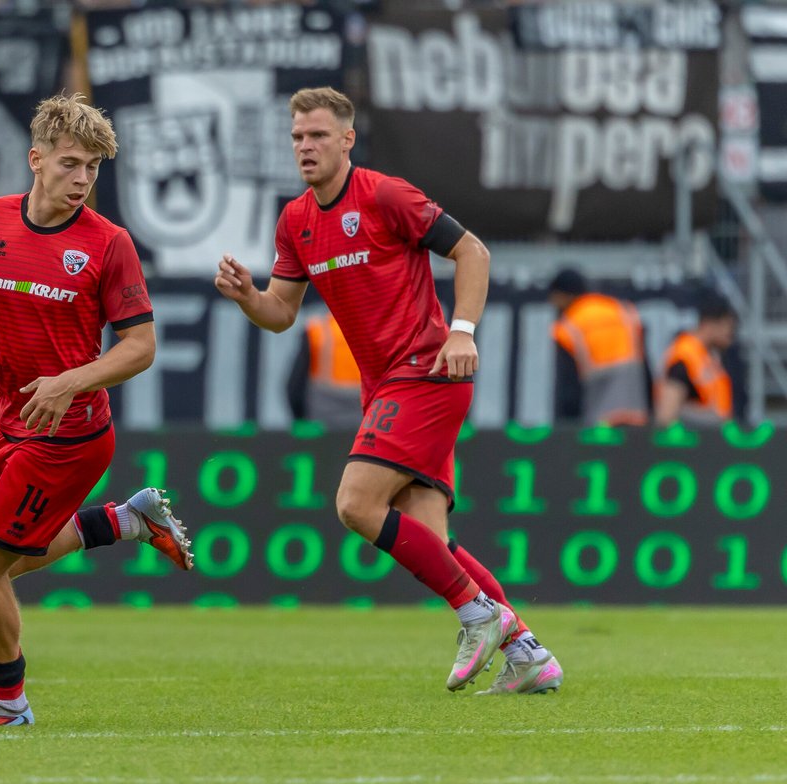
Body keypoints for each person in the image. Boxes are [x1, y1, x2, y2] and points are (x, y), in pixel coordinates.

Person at [214, 86, 561, 695]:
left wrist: (462, 331)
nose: (305, 147)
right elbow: (281, 312)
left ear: (347, 139)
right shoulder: (296, 220)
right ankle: (527, 654)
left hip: (428, 371)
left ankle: (477, 614)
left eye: (318, 135)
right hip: (386, 389)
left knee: (354, 503)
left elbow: (472, 251)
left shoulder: (385, 195)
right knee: (432, 540)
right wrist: (247, 295)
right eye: (297, 137)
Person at [0, 92, 194, 728]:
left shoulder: (109, 243)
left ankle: (6, 702)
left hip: (72, 435)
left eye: (93, 167)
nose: (83, 179)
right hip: (12, 421)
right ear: (35, 159)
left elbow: (141, 346)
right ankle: (123, 522)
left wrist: (70, 382)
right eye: (70, 163)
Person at [548, 268, 650, 427]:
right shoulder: (623, 311)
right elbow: (645, 369)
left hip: (599, 423)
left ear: (562, 295)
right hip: (635, 418)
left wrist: (565, 427)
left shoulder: (570, 325)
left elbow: (569, 389)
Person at [655, 293, 737, 427]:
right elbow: (667, 414)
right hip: (689, 443)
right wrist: (713, 419)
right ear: (709, 324)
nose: (730, 336)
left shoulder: (707, 356)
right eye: (728, 328)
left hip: (710, 441)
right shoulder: (685, 357)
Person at [287, 308, 363, 429]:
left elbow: (295, 387)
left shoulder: (317, 330)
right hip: (365, 420)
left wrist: (300, 420)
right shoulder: (374, 331)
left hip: (322, 423)